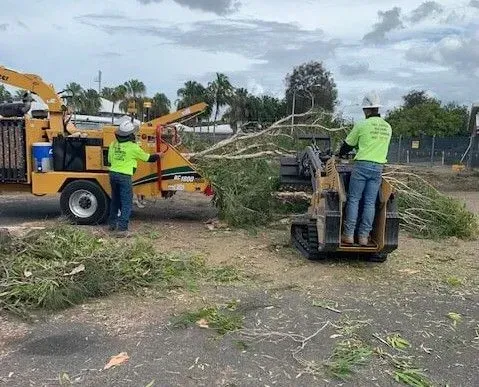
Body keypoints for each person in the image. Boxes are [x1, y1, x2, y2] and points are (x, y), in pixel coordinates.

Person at [338, 91, 392, 246]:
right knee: (370, 202)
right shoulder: (387, 127)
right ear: (377, 109)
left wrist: (339, 153)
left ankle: (348, 235)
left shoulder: (362, 125)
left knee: (354, 199)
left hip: (362, 166)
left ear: (367, 110)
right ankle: (363, 236)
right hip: (378, 168)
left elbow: (348, 145)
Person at [108, 120, 162, 235]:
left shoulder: (113, 144)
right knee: (126, 202)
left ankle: (112, 224)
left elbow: (109, 160)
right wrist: (158, 155)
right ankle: (122, 229)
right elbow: (148, 158)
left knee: (115, 200)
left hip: (112, 174)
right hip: (124, 176)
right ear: (130, 135)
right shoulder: (133, 147)